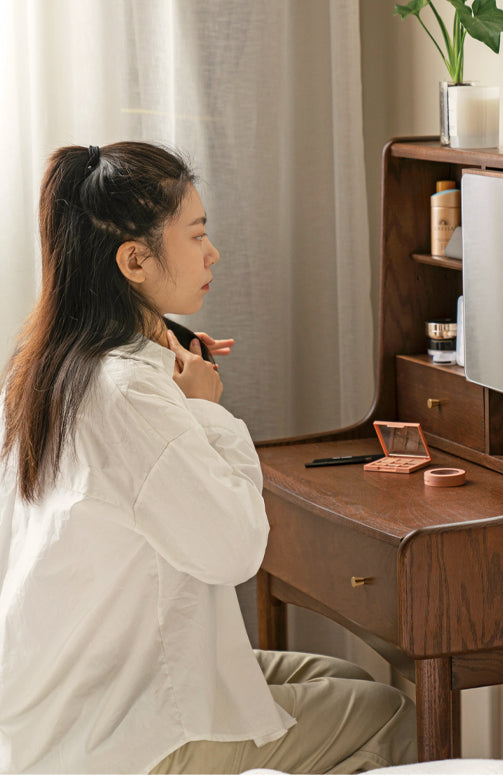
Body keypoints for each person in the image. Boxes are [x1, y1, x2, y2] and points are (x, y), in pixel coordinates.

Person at [0, 142, 416, 774]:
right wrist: (204, 409)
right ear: (134, 259)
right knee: (388, 712)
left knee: (339, 674)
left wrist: (165, 364)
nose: (212, 252)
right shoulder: (129, 392)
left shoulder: (51, 367)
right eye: (196, 235)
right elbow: (235, 550)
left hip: (56, 704)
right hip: (116, 740)